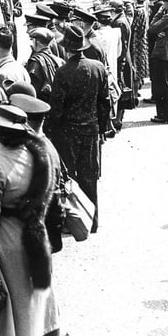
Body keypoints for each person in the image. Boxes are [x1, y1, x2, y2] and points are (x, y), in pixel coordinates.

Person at [0, 104, 60, 336]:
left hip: (9, 241)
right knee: (39, 305)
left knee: (19, 315)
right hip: (35, 233)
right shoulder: (38, 153)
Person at [48, 25, 110, 233]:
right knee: (90, 175)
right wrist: (101, 128)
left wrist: (51, 130)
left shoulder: (63, 72)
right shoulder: (98, 67)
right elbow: (105, 101)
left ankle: (75, 221)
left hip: (68, 131)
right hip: (91, 130)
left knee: (69, 177)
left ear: (66, 49)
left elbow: (56, 108)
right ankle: (93, 221)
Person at [25, 28, 64, 102]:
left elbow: (32, 90)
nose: (31, 44)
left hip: (40, 105)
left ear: (37, 42)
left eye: (32, 40)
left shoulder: (35, 62)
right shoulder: (60, 61)